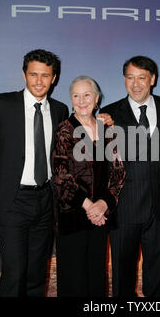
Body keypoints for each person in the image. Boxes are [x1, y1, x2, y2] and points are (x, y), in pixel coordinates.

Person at [0, 49, 69, 297]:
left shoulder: (59, 110)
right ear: (23, 74)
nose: (38, 81)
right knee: (14, 273)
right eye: (33, 74)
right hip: (13, 200)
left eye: (45, 75)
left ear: (54, 78)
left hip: (45, 201)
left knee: (37, 274)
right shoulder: (1, 104)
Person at [100, 56, 160, 297]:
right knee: (123, 273)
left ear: (152, 79)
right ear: (124, 80)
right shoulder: (109, 114)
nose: (135, 84)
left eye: (141, 78)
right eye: (130, 78)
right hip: (124, 207)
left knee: (157, 270)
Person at [52, 76, 125, 297]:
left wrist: (103, 204)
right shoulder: (64, 130)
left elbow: (118, 172)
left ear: (97, 98)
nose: (81, 100)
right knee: (74, 282)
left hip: (101, 218)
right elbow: (60, 177)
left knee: (96, 280)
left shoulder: (108, 130)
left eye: (87, 95)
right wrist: (89, 206)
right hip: (72, 217)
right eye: (76, 95)